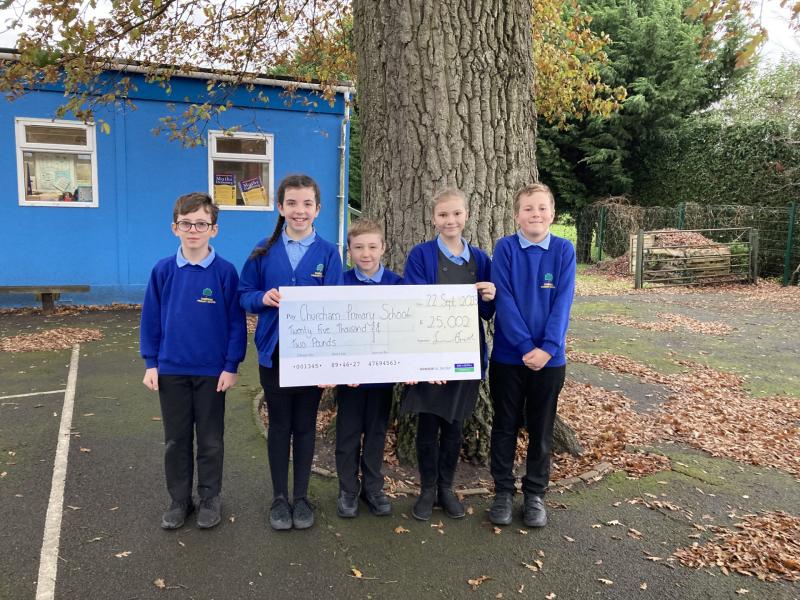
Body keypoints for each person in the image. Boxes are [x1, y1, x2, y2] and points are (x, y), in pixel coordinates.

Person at [238, 174, 343, 531]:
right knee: (280, 426)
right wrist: (261, 298)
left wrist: (331, 363)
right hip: (275, 354)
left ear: (318, 209)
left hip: (312, 357)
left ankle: (301, 498)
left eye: (307, 204)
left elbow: (337, 307)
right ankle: (279, 498)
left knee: (305, 427)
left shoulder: (328, 253)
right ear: (281, 207)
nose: (300, 210)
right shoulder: (263, 250)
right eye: (292, 203)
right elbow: (243, 293)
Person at [140, 192, 247, 530]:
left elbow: (235, 323)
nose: (193, 230)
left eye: (202, 224)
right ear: (175, 228)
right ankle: (179, 500)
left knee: (211, 440)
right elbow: (151, 319)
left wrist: (231, 365)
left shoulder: (225, 272)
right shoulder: (163, 270)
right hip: (171, 370)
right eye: (186, 224)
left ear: (214, 229)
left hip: (212, 373)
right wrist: (151, 363)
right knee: (176, 440)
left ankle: (210, 497)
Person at [401, 188, 495, 521]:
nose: (450, 220)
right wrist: (428, 362)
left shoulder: (481, 259)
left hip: (464, 356)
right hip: (429, 356)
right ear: (433, 219)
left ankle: (446, 488)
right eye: (443, 214)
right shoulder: (421, 255)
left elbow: (486, 313)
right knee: (428, 425)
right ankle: (427, 489)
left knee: (455, 426)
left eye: (456, 213)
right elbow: (415, 304)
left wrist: (490, 295)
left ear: (466, 215)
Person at [488, 182, 576, 528]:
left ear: (552, 214)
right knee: (505, 425)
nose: (535, 214)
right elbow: (504, 300)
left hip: (550, 361)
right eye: (528, 209)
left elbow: (563, 301)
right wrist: (526, 347)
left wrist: (548, 349)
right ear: (516, 215)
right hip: (509, 358)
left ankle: (535, 494)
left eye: (542, 208)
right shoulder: (505, 249)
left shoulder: (564, 250)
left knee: (541, 428)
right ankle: (502, 491)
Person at [335, 218, 402, 519]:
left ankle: (373, 488)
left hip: (382, 378)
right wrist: (339, 369)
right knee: (347, 435)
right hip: (349, 378)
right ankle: (348, 489)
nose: (366, 253)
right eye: (359, 247)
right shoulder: (339, 283)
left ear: (383, 248)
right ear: (349, 250)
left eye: (372, 247)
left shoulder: (398, 285)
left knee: (376, 434)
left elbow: (405, 330)